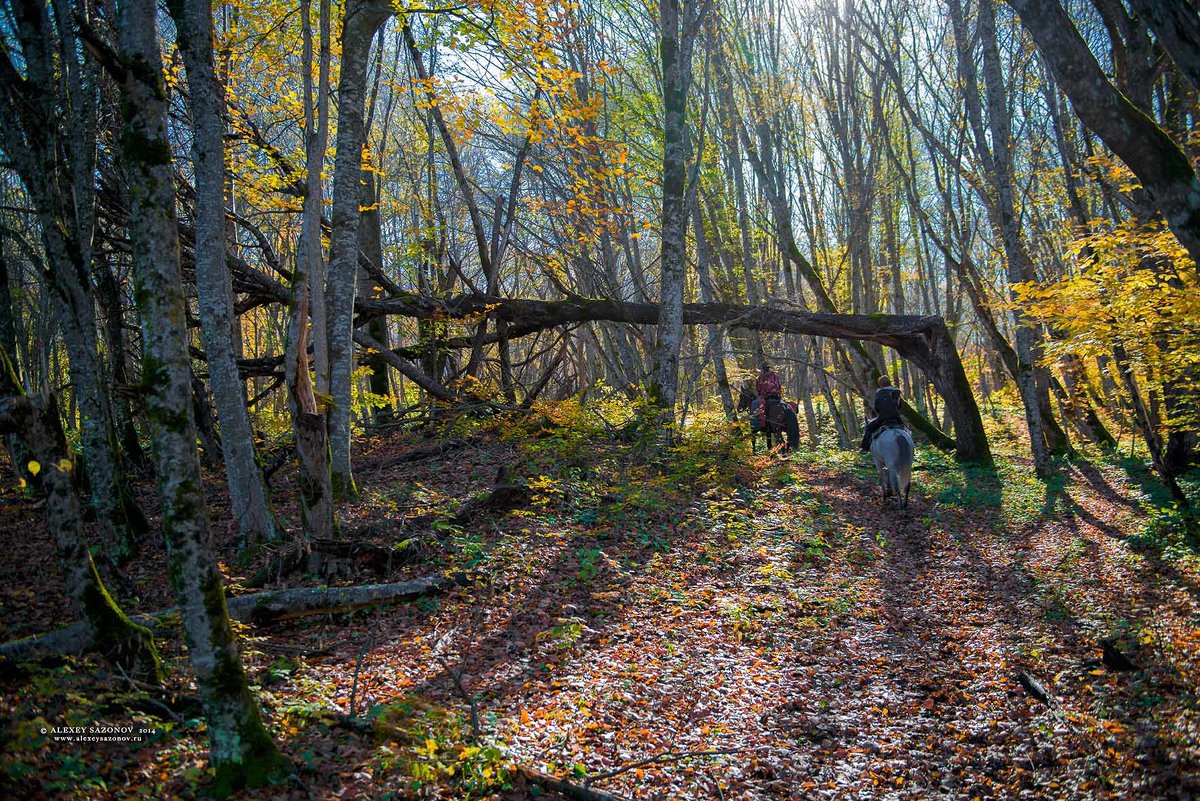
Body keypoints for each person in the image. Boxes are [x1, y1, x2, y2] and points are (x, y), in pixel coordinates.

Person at [860, 375, 903, 452]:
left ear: (880, 384)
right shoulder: (896, 392)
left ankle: (864, 448)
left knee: (869, 428)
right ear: (889, 383)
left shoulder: (879, 393)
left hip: (882, 418)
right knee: (906, 431)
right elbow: (899, 406)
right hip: (896, 418)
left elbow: (877, 408)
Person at [756, 362, 782, 428]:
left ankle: (761, 425)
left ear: (763, 369)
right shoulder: (775, 375)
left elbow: (758, 389)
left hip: (766, 397)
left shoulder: (760, 377)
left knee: (757, 407)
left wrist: (761, 394)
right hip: (777, 396)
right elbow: (779, 386)